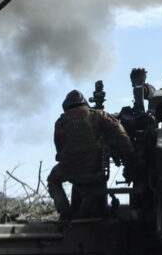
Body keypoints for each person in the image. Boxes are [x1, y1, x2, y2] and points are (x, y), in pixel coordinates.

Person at [48, 90, 134, 220]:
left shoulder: (60, 122)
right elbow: (120, 134)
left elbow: (59, 148)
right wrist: (130, 156)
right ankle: (87, 214)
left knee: (53, 180)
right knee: (93, 186)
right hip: (93, 169)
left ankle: (64, 209)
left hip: (68, 169)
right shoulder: (99, 115)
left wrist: (66, 160)